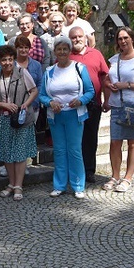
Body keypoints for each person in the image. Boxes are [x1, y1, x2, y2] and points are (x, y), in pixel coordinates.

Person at [39, 37, 95, 198]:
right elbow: (42, 95)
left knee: (75, 150)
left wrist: (80, 101)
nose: (62, 52)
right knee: (59, 150)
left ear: (70, 51)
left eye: (65, 49)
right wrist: (50, 102)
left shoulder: (79, 68)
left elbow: (90, 91)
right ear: (54, 52)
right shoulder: (49, 71)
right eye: (59, 49)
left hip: (74, 115)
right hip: (56, 117)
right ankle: (60, 185)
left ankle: (78, 186)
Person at [103, 27, 134, 193]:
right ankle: (115, 176)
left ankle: (128, 178)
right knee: (115, 141)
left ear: (132, 38)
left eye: (125, 38)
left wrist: (127, 85)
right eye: (119, 38)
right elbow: (108, 78)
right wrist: (109, 88)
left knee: (132, 141)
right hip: (117, 105)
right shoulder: (115, 59)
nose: (122, 41)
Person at [0, 45, 38, 201]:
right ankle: (11, 183)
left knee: (20, 152)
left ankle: (18, 186)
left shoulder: (22, 73)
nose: (7, 62)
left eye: (10, 59)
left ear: (14, 59)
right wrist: (4, 105)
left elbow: (34, 90)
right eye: (4, 60)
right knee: (7, 153)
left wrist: (26, 104)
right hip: (3, 119)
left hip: (21, 119)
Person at [69, 27, 109, 183]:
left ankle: (89, 170)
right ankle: (75, 170)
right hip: (72, 105)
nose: (77, 39)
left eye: (80, 36)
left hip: (94, 104)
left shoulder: (96, 54)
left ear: (85, 38)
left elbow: (105, 77)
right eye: (73, 37)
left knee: (90, 137)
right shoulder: (66, 56)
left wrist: (107, 99)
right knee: (74, 139)